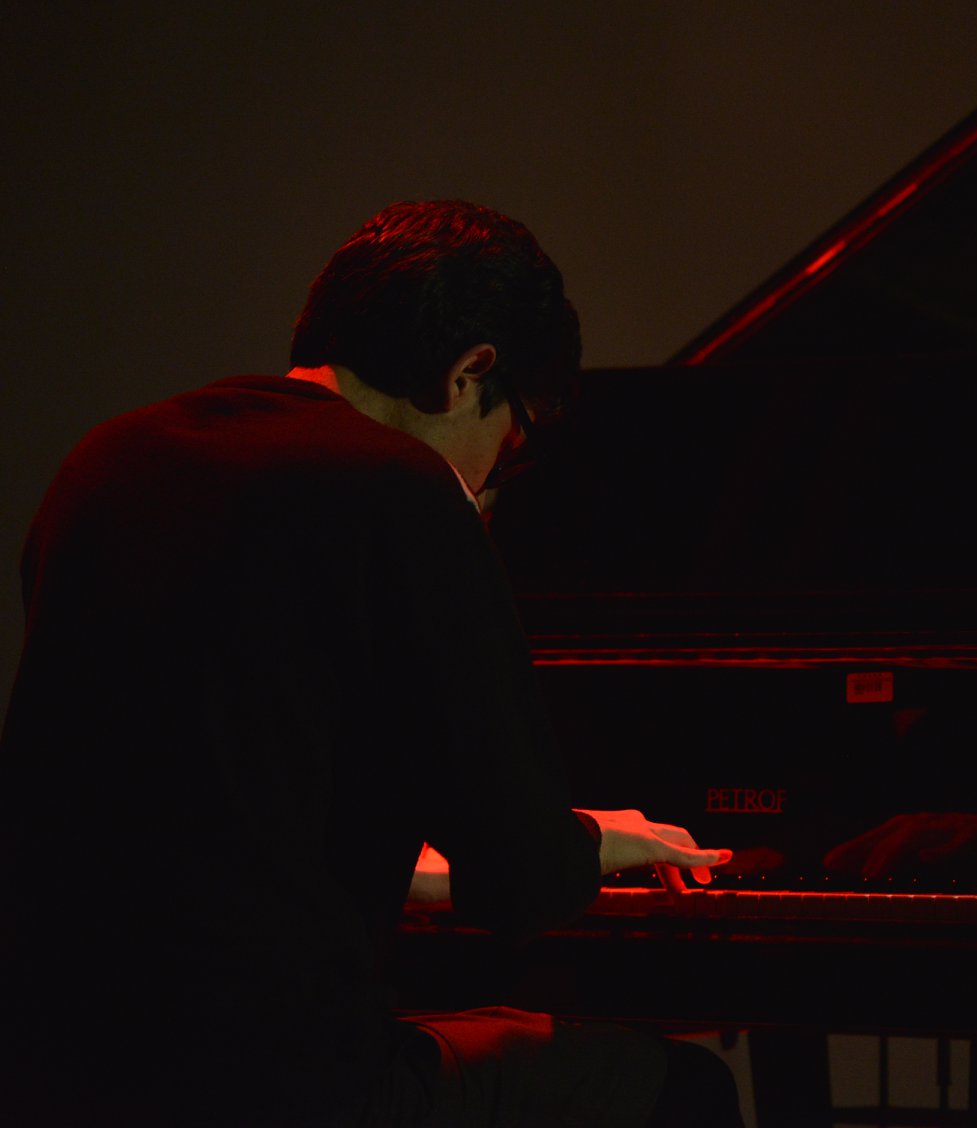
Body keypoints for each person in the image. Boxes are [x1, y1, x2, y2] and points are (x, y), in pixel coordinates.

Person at [0, 199, 742, 1126]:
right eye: (505, 452)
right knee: (681, 1087)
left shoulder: (106, 463)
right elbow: (522, 884)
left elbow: (208, 816)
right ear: (471, 373)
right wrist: (586, 838)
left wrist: (421, 866)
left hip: (50, 1073)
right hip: (284, 1089)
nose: (485, 486)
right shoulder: (400, 488)